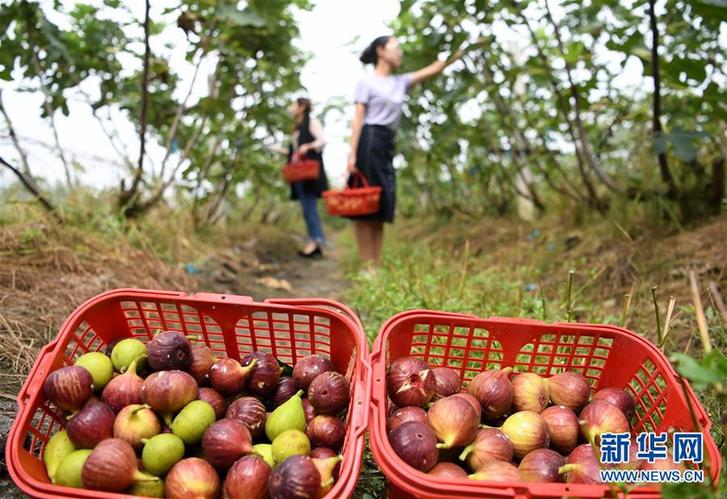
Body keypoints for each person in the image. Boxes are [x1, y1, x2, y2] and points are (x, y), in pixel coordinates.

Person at [347, 36, 464, 268]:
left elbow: (434, 69)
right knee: (364, 203)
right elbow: (358, 118)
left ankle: (376, 266)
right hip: (369, 141)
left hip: (387, 142)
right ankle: (365, 265)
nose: (400, 52)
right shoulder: (367, 83)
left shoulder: (399, 82)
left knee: (381, 203)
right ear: (381, 51)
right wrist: (352, 154)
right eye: (396, 48)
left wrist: (456, 52)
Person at [277, 97, 329, 257]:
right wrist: (280, 150)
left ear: (302, 106)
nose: (291, 108)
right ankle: (314, 242)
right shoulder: (297, 128)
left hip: (309, 175)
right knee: (306, 209)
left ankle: (316, 241)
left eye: (294, 105)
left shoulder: (311, 122)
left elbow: (323, 140)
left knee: (310, 209)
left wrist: (308, 146)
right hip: (298, 174)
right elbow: (294, 152)